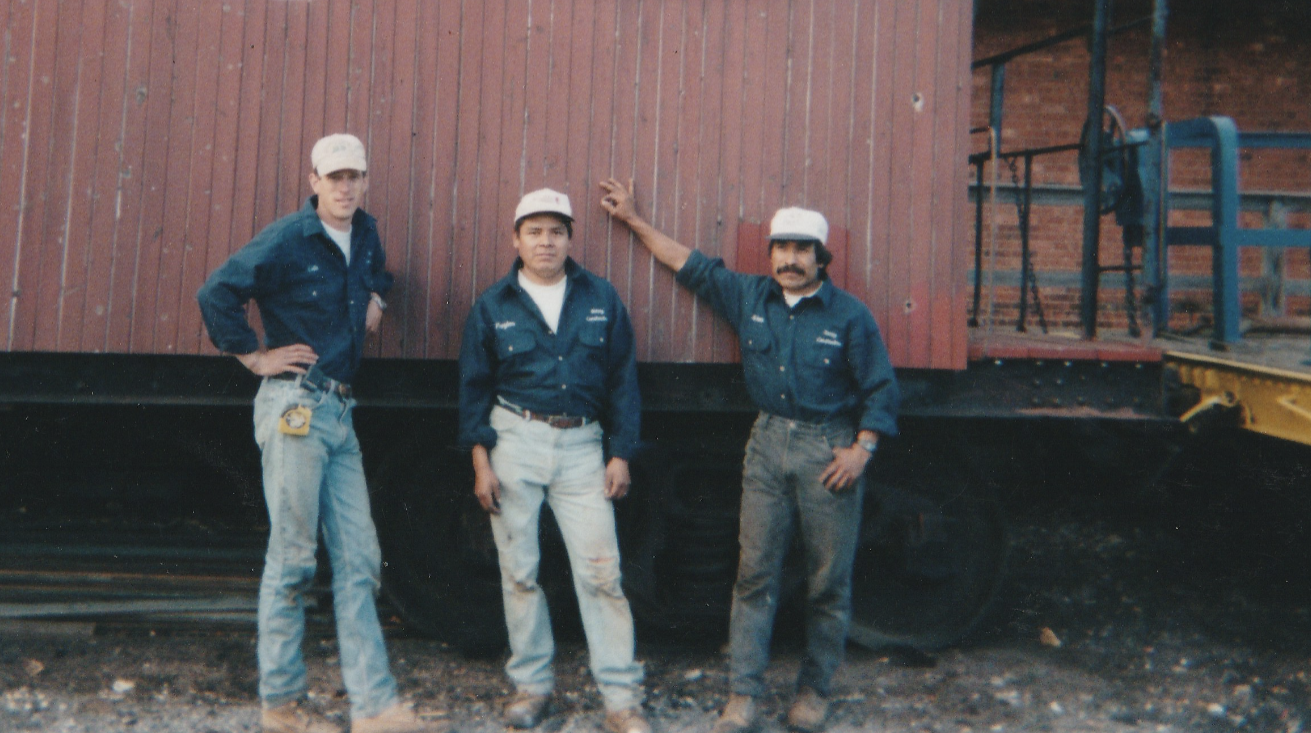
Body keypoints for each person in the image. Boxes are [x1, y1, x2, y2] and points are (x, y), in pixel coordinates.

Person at [599, 179, 899, 733]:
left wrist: (862, 450)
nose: (790, 259)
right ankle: (743, 696)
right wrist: (635, 221)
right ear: (771, 256)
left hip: (827, 449)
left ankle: (814, 691)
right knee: (753, 576)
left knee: (827, 579)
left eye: (802, 250)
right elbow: (688, 264)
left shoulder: (850, 317)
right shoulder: (749, 297)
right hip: (765, 444)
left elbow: (882, 389)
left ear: (820, 258)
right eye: (781, 249)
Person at [197, 134, 440, 733]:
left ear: (364, 179)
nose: (345, 187)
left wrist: (376, 295)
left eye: (354, 175)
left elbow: (377, 272)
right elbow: (217, 292)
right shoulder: (287, 238)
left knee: (361, 558)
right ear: (313, 181)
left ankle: (375, 707)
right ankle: (281, 704)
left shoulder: (364, 233)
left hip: (340, 411)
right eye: (334, 177)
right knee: (295, 559)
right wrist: (254, 356)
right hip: (294, 407)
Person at [458, 189, 651, 733]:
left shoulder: (601, 298)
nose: (546, 242)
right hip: (513, 439)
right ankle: (531, 685)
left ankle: (620, 698)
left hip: (583, 446)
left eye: (557, 231)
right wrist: (482, 463)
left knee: (601, 573)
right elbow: (473, 392)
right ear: (516, 238)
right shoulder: (493, 305)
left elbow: (623, 384)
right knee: (519, 572)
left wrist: (620, 454)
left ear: (570, 238)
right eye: (535, 231)